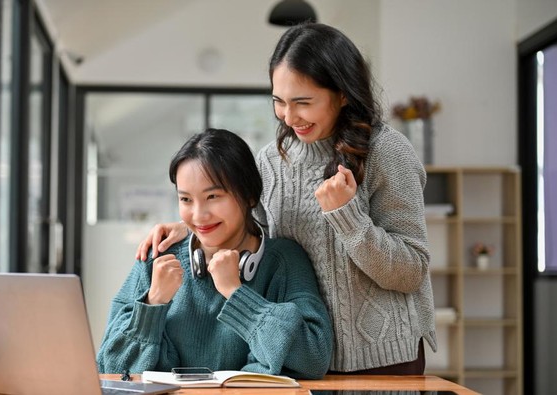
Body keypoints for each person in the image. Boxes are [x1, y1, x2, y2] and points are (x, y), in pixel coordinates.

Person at [135, 23, 436, 375]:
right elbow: (251, 235)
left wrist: (348, 217)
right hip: (299, 357)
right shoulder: (269, 162)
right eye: (279, 102)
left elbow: (411, 272)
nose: (289, 117)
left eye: (303, 103)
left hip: (384, 360)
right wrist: (193, 227)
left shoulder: (387, 152)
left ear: (342, 94)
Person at [97, 128, 333, 378]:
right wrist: (154, 302)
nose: (199, 215)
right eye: (186, 200)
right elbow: (111, 367)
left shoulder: (283, 261)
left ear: (249, 195)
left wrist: (236, 293)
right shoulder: (158, 259)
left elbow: (313, 357)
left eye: (213, 196)